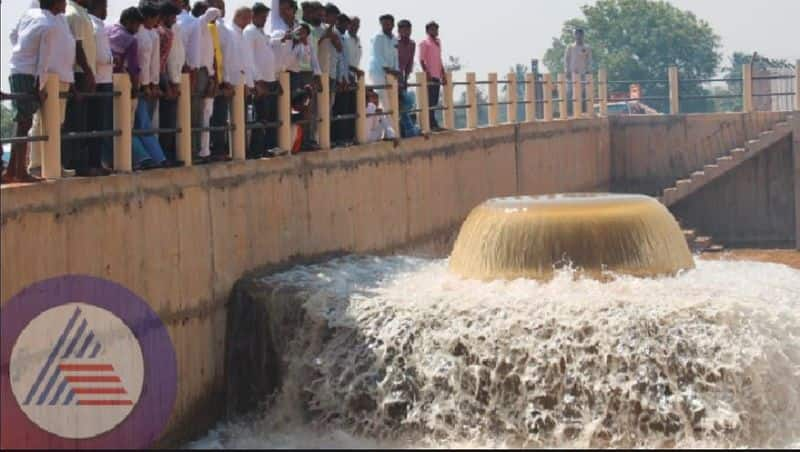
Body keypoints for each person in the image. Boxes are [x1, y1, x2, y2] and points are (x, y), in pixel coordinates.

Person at [4, 0, 64, 183]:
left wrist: (21, 51)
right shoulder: (50, 25)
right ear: (55, 4)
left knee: (22, 120)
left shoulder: (30, 15)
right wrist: (40, 86)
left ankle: (13, 170)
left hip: (18, 68)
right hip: (28, 73)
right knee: (24, 121)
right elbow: (43, 60)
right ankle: (18, 171)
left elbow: (13, 34)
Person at [26, 0, 76, 179]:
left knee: (57, 123)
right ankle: (37, 165)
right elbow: (17, 36)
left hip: (62, 76)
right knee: (41, 122)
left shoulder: (61, 18)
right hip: (47, 75)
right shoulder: (38, 11)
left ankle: (54, 164)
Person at [64, 0, 106, 177]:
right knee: (77, 122)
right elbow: (77, 47)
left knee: (86, 122)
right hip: (79, 73)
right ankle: (78, 165)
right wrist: (89, 72)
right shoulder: (73, 14)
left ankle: (87, 163)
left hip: (85, 73)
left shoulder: (82, 13)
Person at [186, 1, 222, 163]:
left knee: (203, 115)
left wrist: (213, 77)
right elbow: (213, 11)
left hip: (206, 73)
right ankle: (193, 151)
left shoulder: (206, 29)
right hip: (196, 73)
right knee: (194, 115)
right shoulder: (198, 25)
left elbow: (210, 55)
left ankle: (202, 151)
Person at [245, 2, 281, 158]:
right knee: (259, 118)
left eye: (266, 17)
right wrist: (257, 81)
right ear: (253, 15)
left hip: (270, 80)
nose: (265, 19)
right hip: (260, 82)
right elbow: (249, 58)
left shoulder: (261, 33)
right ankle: (256, 150)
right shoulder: (250, 32)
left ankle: (269, 147)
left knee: (270, 117)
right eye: (262, 16)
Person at [284, 23, 322, 151]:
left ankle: (307, 139)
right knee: (296, 109)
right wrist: (296, 44)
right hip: (295, 77)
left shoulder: (310, 46)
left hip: (307, 77)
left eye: (303, 32)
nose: (300, 34)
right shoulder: (294, 45)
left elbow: (315, 63)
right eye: (298, 32)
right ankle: (297, 142)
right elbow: (290, 61)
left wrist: (317, 77)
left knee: (308, 109)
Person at [88, 0, 115, 169]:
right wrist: (110, 60)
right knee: (96, 124)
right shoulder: (92, 24)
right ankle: (96, 162)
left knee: (105, 124)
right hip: (98, 79)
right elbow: (97, 54)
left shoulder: (100, 24)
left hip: (106, 78)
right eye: (105, 6)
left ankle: (103, 161)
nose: (106, 10)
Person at [160, 0, 187, 163]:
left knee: (171, 122)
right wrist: (169, 85)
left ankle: (169, 155)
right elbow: (161, 63)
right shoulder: (162, 33)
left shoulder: (171, 31)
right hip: (165, 82)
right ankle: (164, 157)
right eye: (172, 16)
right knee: (164, 123)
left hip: (173, 81)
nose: (175, 20)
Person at [368, 14, 400, 111]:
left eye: (388, 24)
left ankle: (391, 124)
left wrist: (396, 70)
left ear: (393, 25)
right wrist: (388, 69)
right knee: (383, 99)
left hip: (391, 73)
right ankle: (389, 125)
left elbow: (396, 56)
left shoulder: (395, 39)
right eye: (384, 24)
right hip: (378, 72)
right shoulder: (378, 37)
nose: (386, 26)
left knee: (392, 99)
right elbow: (378, 55)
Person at [419, 21, 446, 132]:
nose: (435, 31)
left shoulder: (438, 42)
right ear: (427, 30)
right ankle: (430, 124)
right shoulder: (424, 43)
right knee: (429, 101)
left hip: (437, 75)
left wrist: (443, 73)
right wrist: (427, 73)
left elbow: (439, 58)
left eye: (436, 29)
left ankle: (433, 123)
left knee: (434, 101)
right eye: (432, 29)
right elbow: (421, 59)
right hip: (430, 76)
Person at [564, 28, 593, 115]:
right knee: (570, 93)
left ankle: (584, 112)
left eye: (580, 35)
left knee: (584, 94)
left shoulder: (587, 48)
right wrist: (567, 71)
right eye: (576, 34)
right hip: (572, 75)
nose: (578, 36)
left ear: (583, 36)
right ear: (574, 35)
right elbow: (566, 59)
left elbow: (589, 60)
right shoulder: (570, 47)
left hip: (583, 75)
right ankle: (570, 113)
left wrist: (588, 71)